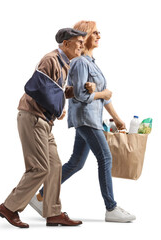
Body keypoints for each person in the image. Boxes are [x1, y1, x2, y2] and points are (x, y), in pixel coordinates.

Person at [30, 21, 136, 223]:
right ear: (85, 36)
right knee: (105, 158)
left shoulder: (91, 62)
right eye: (95, 32)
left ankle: (41, 196)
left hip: (92, 118)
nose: (99, 35)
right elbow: (79, 95)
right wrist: (100, 93)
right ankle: (111, 208)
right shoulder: (79, 63)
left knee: (76, 163)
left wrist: (118, 118)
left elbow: (104, 96)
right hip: (85, 119)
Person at [0, 28, 96, 228]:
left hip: (45, 122)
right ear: (65, 43)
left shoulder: (64, 63)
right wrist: (57, 109)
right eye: (78, 42)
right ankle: (9, 207)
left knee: (55, 166)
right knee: (39, 168)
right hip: (33, 118)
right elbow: (37, 88)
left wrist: (80, 89)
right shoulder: (50, 59)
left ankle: (53, 213)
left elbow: (56, 90)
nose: (81, 46)